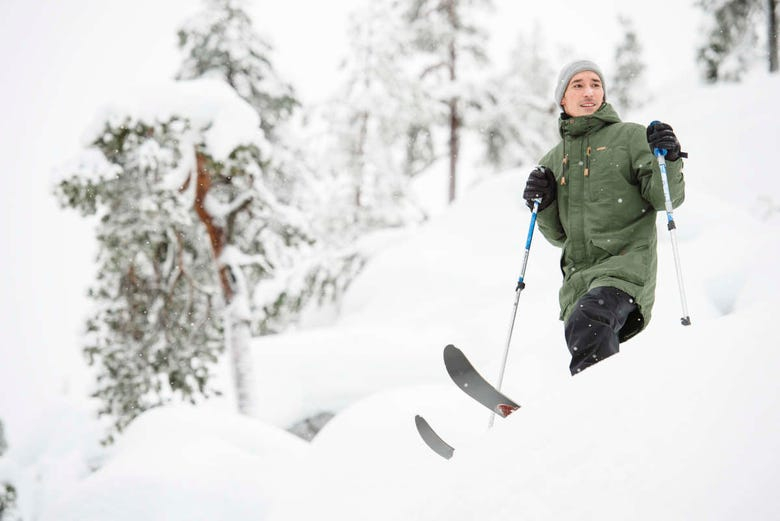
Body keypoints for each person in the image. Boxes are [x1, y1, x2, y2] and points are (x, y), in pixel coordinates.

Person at [523, 60, 686, 375]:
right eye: (578, 85)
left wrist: (671, 158)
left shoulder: (629, 138)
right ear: (562, 99)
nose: (589, 92)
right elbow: (558, 235)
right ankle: (606, 405)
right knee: (583, 328)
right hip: (579, 283)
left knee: (589, 319)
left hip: (625, 269)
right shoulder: (553, 161)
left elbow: (667, 198)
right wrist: (541, 205)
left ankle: (595, 406)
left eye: (595, 84)